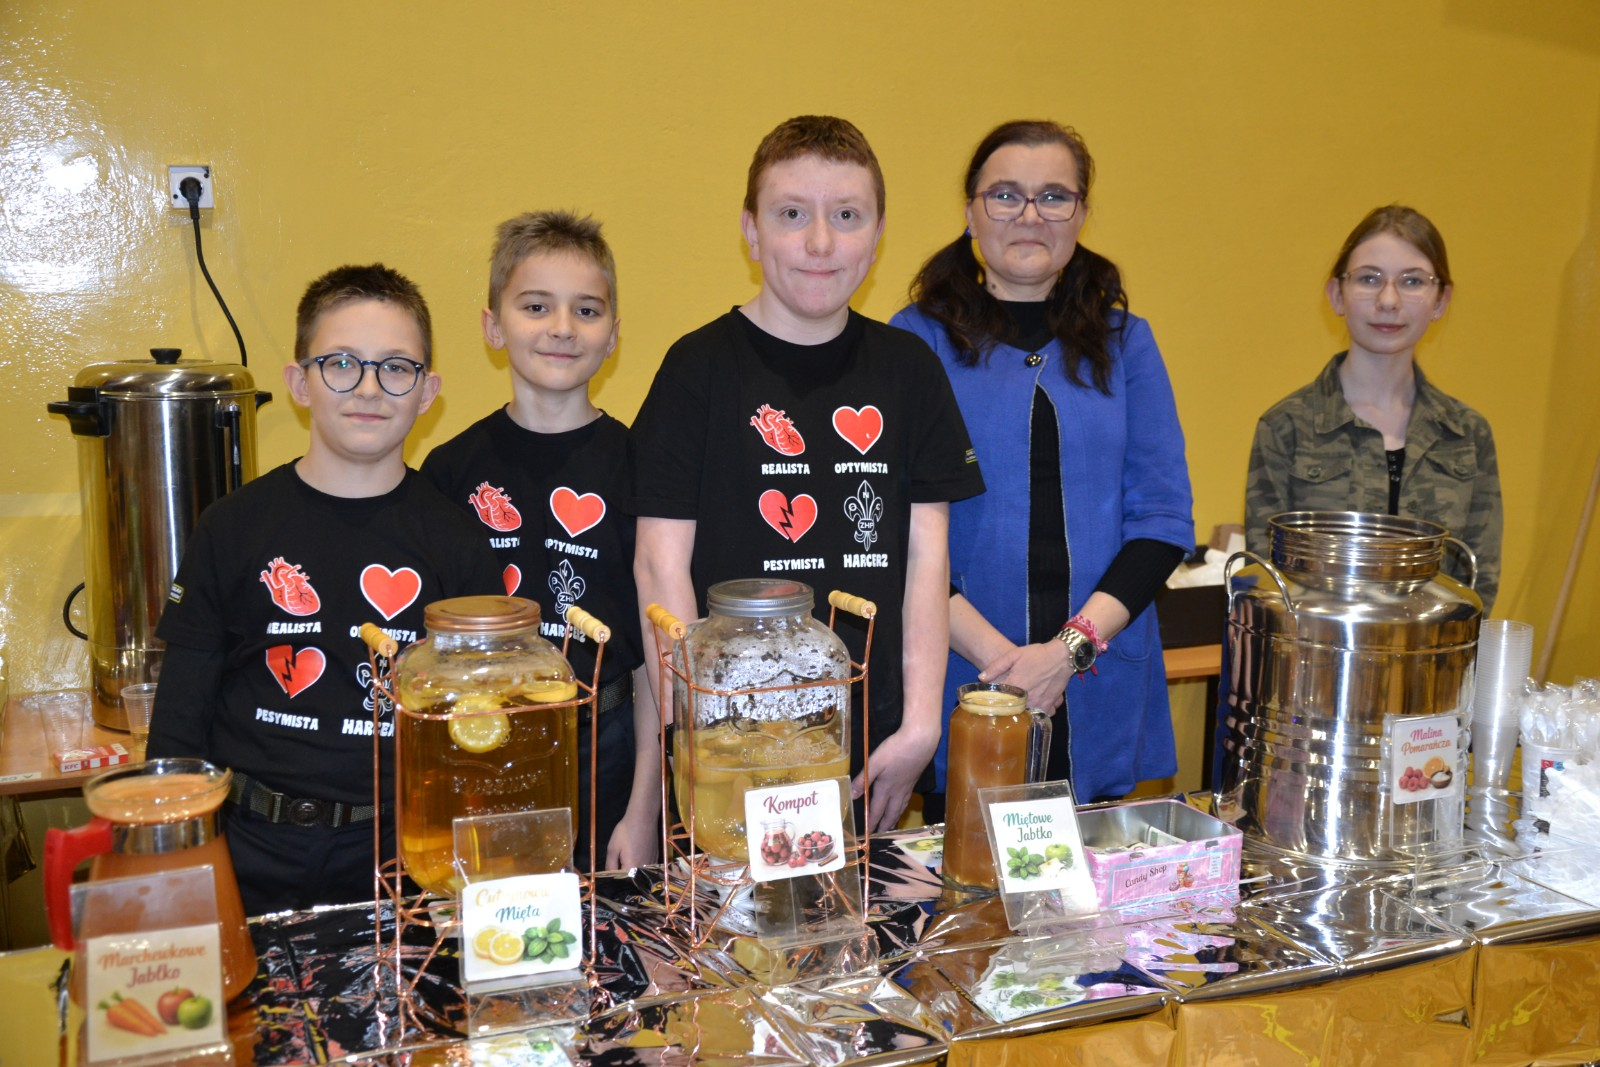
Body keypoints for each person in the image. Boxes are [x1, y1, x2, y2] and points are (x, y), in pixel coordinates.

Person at [629, 115, 986, 832]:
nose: (821, 242)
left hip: (872, 748)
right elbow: (658, 566)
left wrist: (920, 728)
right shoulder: (697, 369)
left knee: (859, 906)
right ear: (751, 231)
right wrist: (701, 733)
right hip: (730, 752)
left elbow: (926, 560)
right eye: (792, 214)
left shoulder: (909, 369)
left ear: (878, 234)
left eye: (846, 216)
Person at [148, 264, 501, 915]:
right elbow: (179, 720)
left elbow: (477, 730)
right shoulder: (232, 526)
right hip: (247, 845)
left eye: (396, 367)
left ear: (427, 392)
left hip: (399, 857)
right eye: (341, 363)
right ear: (298, 382)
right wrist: (166, 858)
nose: (369, 387)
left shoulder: (458, 542)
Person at [891, 120, 1194, 807]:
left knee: (1088, 867)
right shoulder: (914, 343)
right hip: (964, 675)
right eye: (1005, 195)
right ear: (970, 212)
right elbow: (895, 528)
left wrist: (1064, 654)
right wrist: (1007, 669)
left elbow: (1162, 520)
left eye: (1054, 196)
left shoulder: (1128, 343)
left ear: (1081, 214)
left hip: (1096, 673)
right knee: (966, 863)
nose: (1030, 215)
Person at [421, 211, 657, 871]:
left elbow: (653, 660)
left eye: (586, 310)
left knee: (604, 921)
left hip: (606, 745)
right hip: (480, 746)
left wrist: (644, 808)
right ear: (493, 327)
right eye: (535, 306)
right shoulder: (448, 471)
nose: (562, 327)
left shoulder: (641, 468)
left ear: (613, 334)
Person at [1244, 205, 1501, 609]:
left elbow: (1477, 583)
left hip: (1439, 647)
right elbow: (1267, 582)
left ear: (1440, 300)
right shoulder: (1286, 426)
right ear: (1337, 294)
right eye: (1369, 279)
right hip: (1313, 646)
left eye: (1412, 281)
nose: (1388, 300)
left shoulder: (1467, 434)